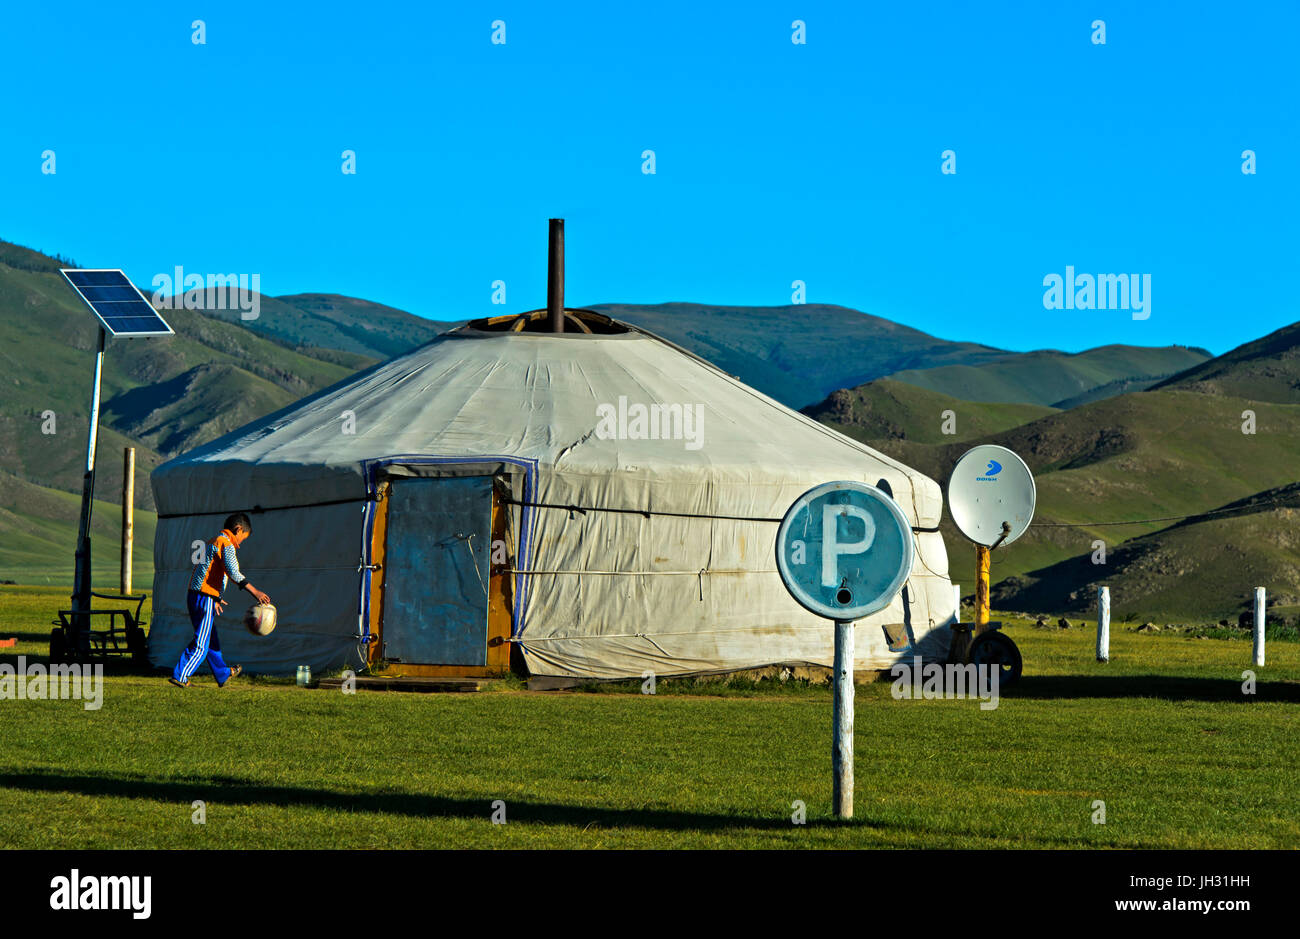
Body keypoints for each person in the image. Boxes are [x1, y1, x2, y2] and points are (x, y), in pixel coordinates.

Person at [169, 512, 271, 688]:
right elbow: (233, 572)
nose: (240, 544)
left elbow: (202, 571)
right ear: (238, 529)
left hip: (197, 595)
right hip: (204, 596)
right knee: (201, 642)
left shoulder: (211, 541)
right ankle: (181, 675)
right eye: (242, 539)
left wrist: (215, 596)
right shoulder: (226, 543)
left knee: (210, 639)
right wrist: (255, 592)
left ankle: (222, 673)